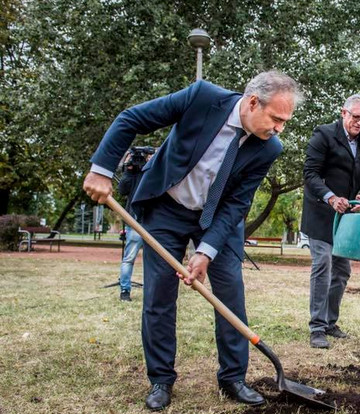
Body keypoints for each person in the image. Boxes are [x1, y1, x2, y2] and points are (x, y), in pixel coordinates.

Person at [83, 71, 302, 411]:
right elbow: (131, 119)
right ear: (253, 102)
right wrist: (101, 169)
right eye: (277, 119)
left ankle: (233, 378)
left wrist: (206, 251)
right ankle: (161, 380)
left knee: (230, 291)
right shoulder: (202, 98)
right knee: (158, 293)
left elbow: (237, 204)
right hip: (167, 207)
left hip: (216, 218)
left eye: (285, 122)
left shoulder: (269, 148)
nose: (279, 129)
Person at [301, 94, 360, 349]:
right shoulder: (323, 135)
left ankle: (330, 322)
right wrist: (331, 198)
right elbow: (310, 174)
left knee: (342, 270)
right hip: (321, 214)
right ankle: (317, 328)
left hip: (346, 220)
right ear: (343, 113)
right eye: (356, 117)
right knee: (323, 265)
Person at [116, 147, 155, 302]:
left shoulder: (154, 170)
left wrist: (152, 162)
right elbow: (122, 190)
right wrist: (128, 169)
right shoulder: (132, 174)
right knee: (129, 258)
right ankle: (125, 290)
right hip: (135, 221)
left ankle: (152, 291)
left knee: (154, 259)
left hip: (153, 220)